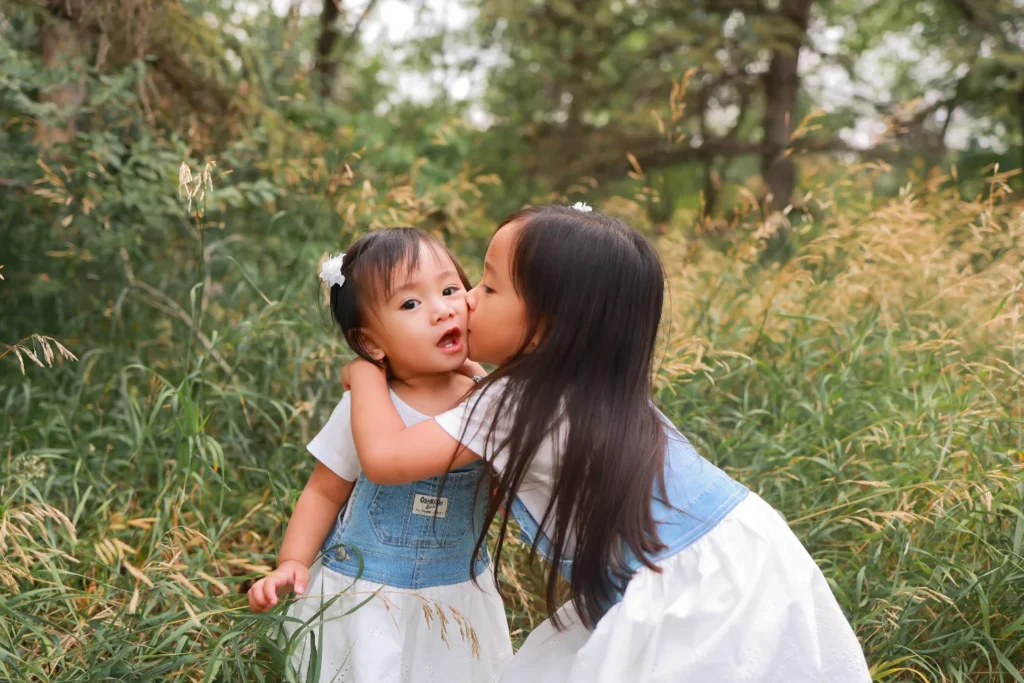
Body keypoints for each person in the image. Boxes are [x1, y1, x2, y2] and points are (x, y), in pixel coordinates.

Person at [342, 205, 871, 682]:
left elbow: (386, 459)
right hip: (747, 554)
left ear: (550, 325)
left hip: (688, 595)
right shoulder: (592, 385)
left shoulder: (511, 402)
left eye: (488, 287)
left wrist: (368, 376)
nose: (468, 302)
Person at [248, 228, 512, 683]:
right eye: (410, 304)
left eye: (450, 290)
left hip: (455, 593)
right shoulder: (366, 406)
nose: (441, 309)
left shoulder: (485, 400)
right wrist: (291, 561)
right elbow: (324, 491)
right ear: (370, 343)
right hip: (367, 591)